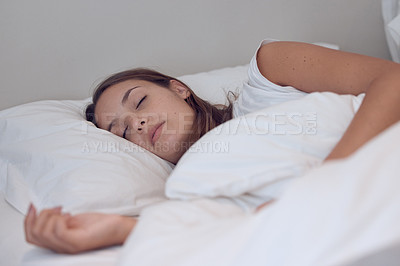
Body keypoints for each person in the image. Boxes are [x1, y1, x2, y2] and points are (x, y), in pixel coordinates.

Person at [24, 40, 400, 254]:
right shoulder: (194, 188)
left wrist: (325, 183)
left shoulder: (270, 74)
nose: (136, 124)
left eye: (139, 103)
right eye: (122, 133)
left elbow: (393, 79)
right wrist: (123, 230)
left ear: (178, 88)